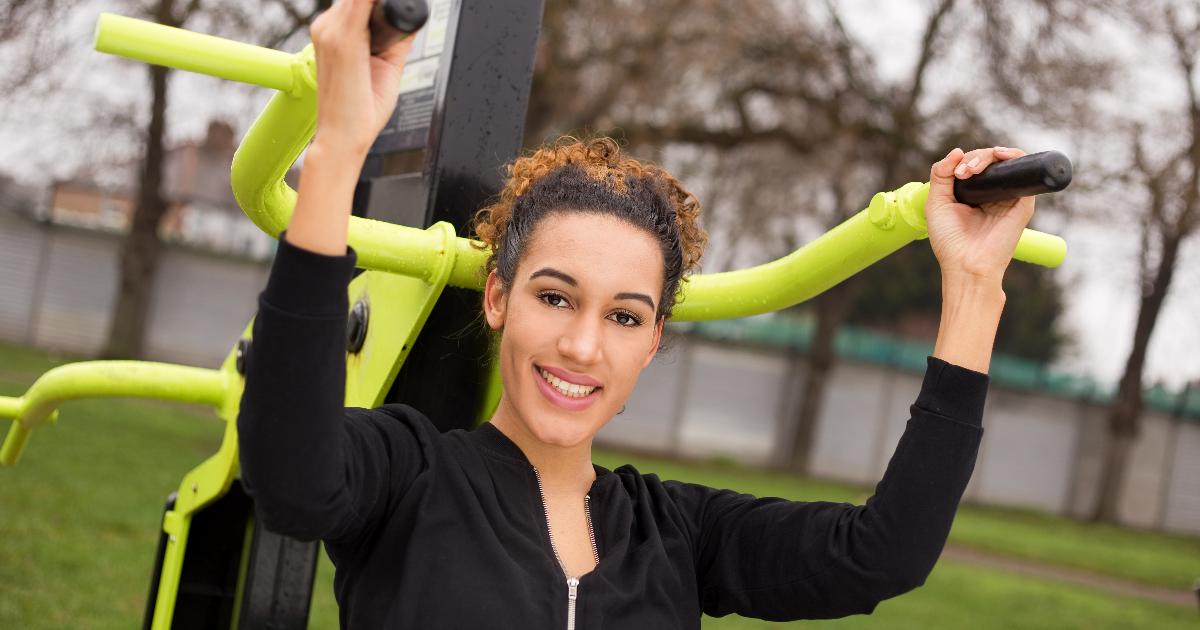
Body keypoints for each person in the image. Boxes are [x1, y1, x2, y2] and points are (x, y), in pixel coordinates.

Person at [237, 0, 1037, 627]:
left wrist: (973, 286)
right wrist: (338, 150)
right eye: (555, 297)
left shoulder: (676, 532)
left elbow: (880, 557)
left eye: (624, 317)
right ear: (498, 297)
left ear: (653, 341)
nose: (582, 345)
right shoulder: (412, 475)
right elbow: (291, 480)